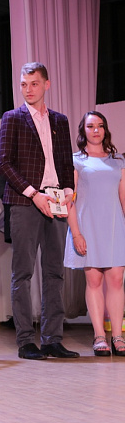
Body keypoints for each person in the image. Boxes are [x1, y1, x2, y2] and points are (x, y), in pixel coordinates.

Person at [0, 62, 79, 360]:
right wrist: (33, 193)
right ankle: (25, 341)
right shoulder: (12, 118)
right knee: (23, 272)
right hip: (25, 202)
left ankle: (52, 339)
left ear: (46, 84)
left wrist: (68, 193)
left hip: (56, 201)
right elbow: (4, 163)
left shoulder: (60, 120)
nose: (28, 89)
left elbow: (65, 161)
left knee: (55, 272)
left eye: (33, 83)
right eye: (23, 84)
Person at [64, 111, 125, 357]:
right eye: (90, 126)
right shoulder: (75, 161)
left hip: (114, 225)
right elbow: (69, 200)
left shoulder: (117, 160)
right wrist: (76, 233)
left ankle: (118, 336)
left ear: (105, 130)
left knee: (117, 280)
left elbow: (123, 197)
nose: (96, 130)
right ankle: (99, 335)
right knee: (94, 281)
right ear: (83, 130)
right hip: (87, 226)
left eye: (100, 126)